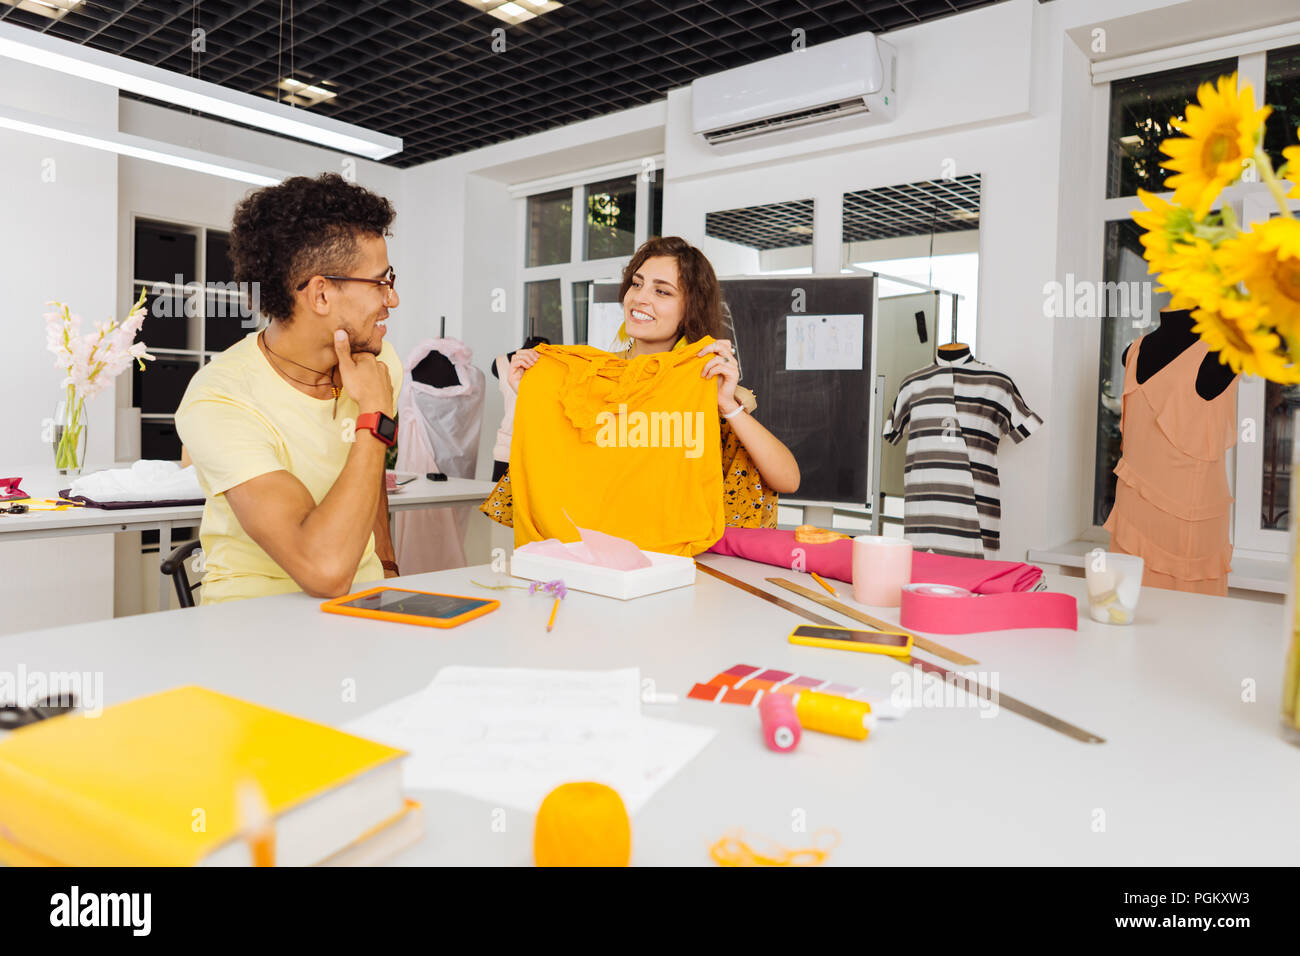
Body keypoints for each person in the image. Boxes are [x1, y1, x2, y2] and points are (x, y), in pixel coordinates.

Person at [175, 173, 404, 603]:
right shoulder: (219, 398)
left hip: (368, 604)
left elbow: (367, 480)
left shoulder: (380, 363)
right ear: (320, 296)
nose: (392, 299)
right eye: (380, 281)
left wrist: (386, 566)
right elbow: (323, 570)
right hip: (254, 619)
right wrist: (374, 416)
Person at [480, 235, 799, 530]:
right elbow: (563, 464)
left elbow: (787, 479)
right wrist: (535, 397)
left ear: (690, 307)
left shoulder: (700, 384)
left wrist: (728, 406)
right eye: (636, 284)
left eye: (662, 291)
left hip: (671, 562)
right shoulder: (591, 378)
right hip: (593, 552)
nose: (639, 298)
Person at [489, 334, 550, 482]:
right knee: (502, 503)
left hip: (543, 447)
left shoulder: (557, 364)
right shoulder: (501, 362)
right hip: (507, 445)